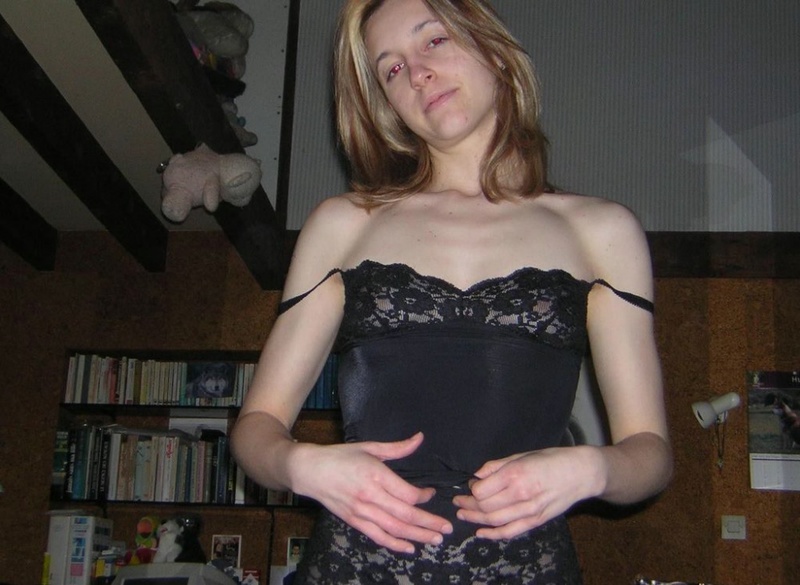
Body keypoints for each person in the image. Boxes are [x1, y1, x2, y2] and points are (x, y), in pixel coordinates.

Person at [230, 0, 673, 583]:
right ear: (385, 104)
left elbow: (650, 452)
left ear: (493, 48)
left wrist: (592, 469)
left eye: (433, 40)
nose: (417, 73)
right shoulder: (344, 224)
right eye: (391, 68)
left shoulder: (602, 231)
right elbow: (256, 427)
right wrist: (299, 465)